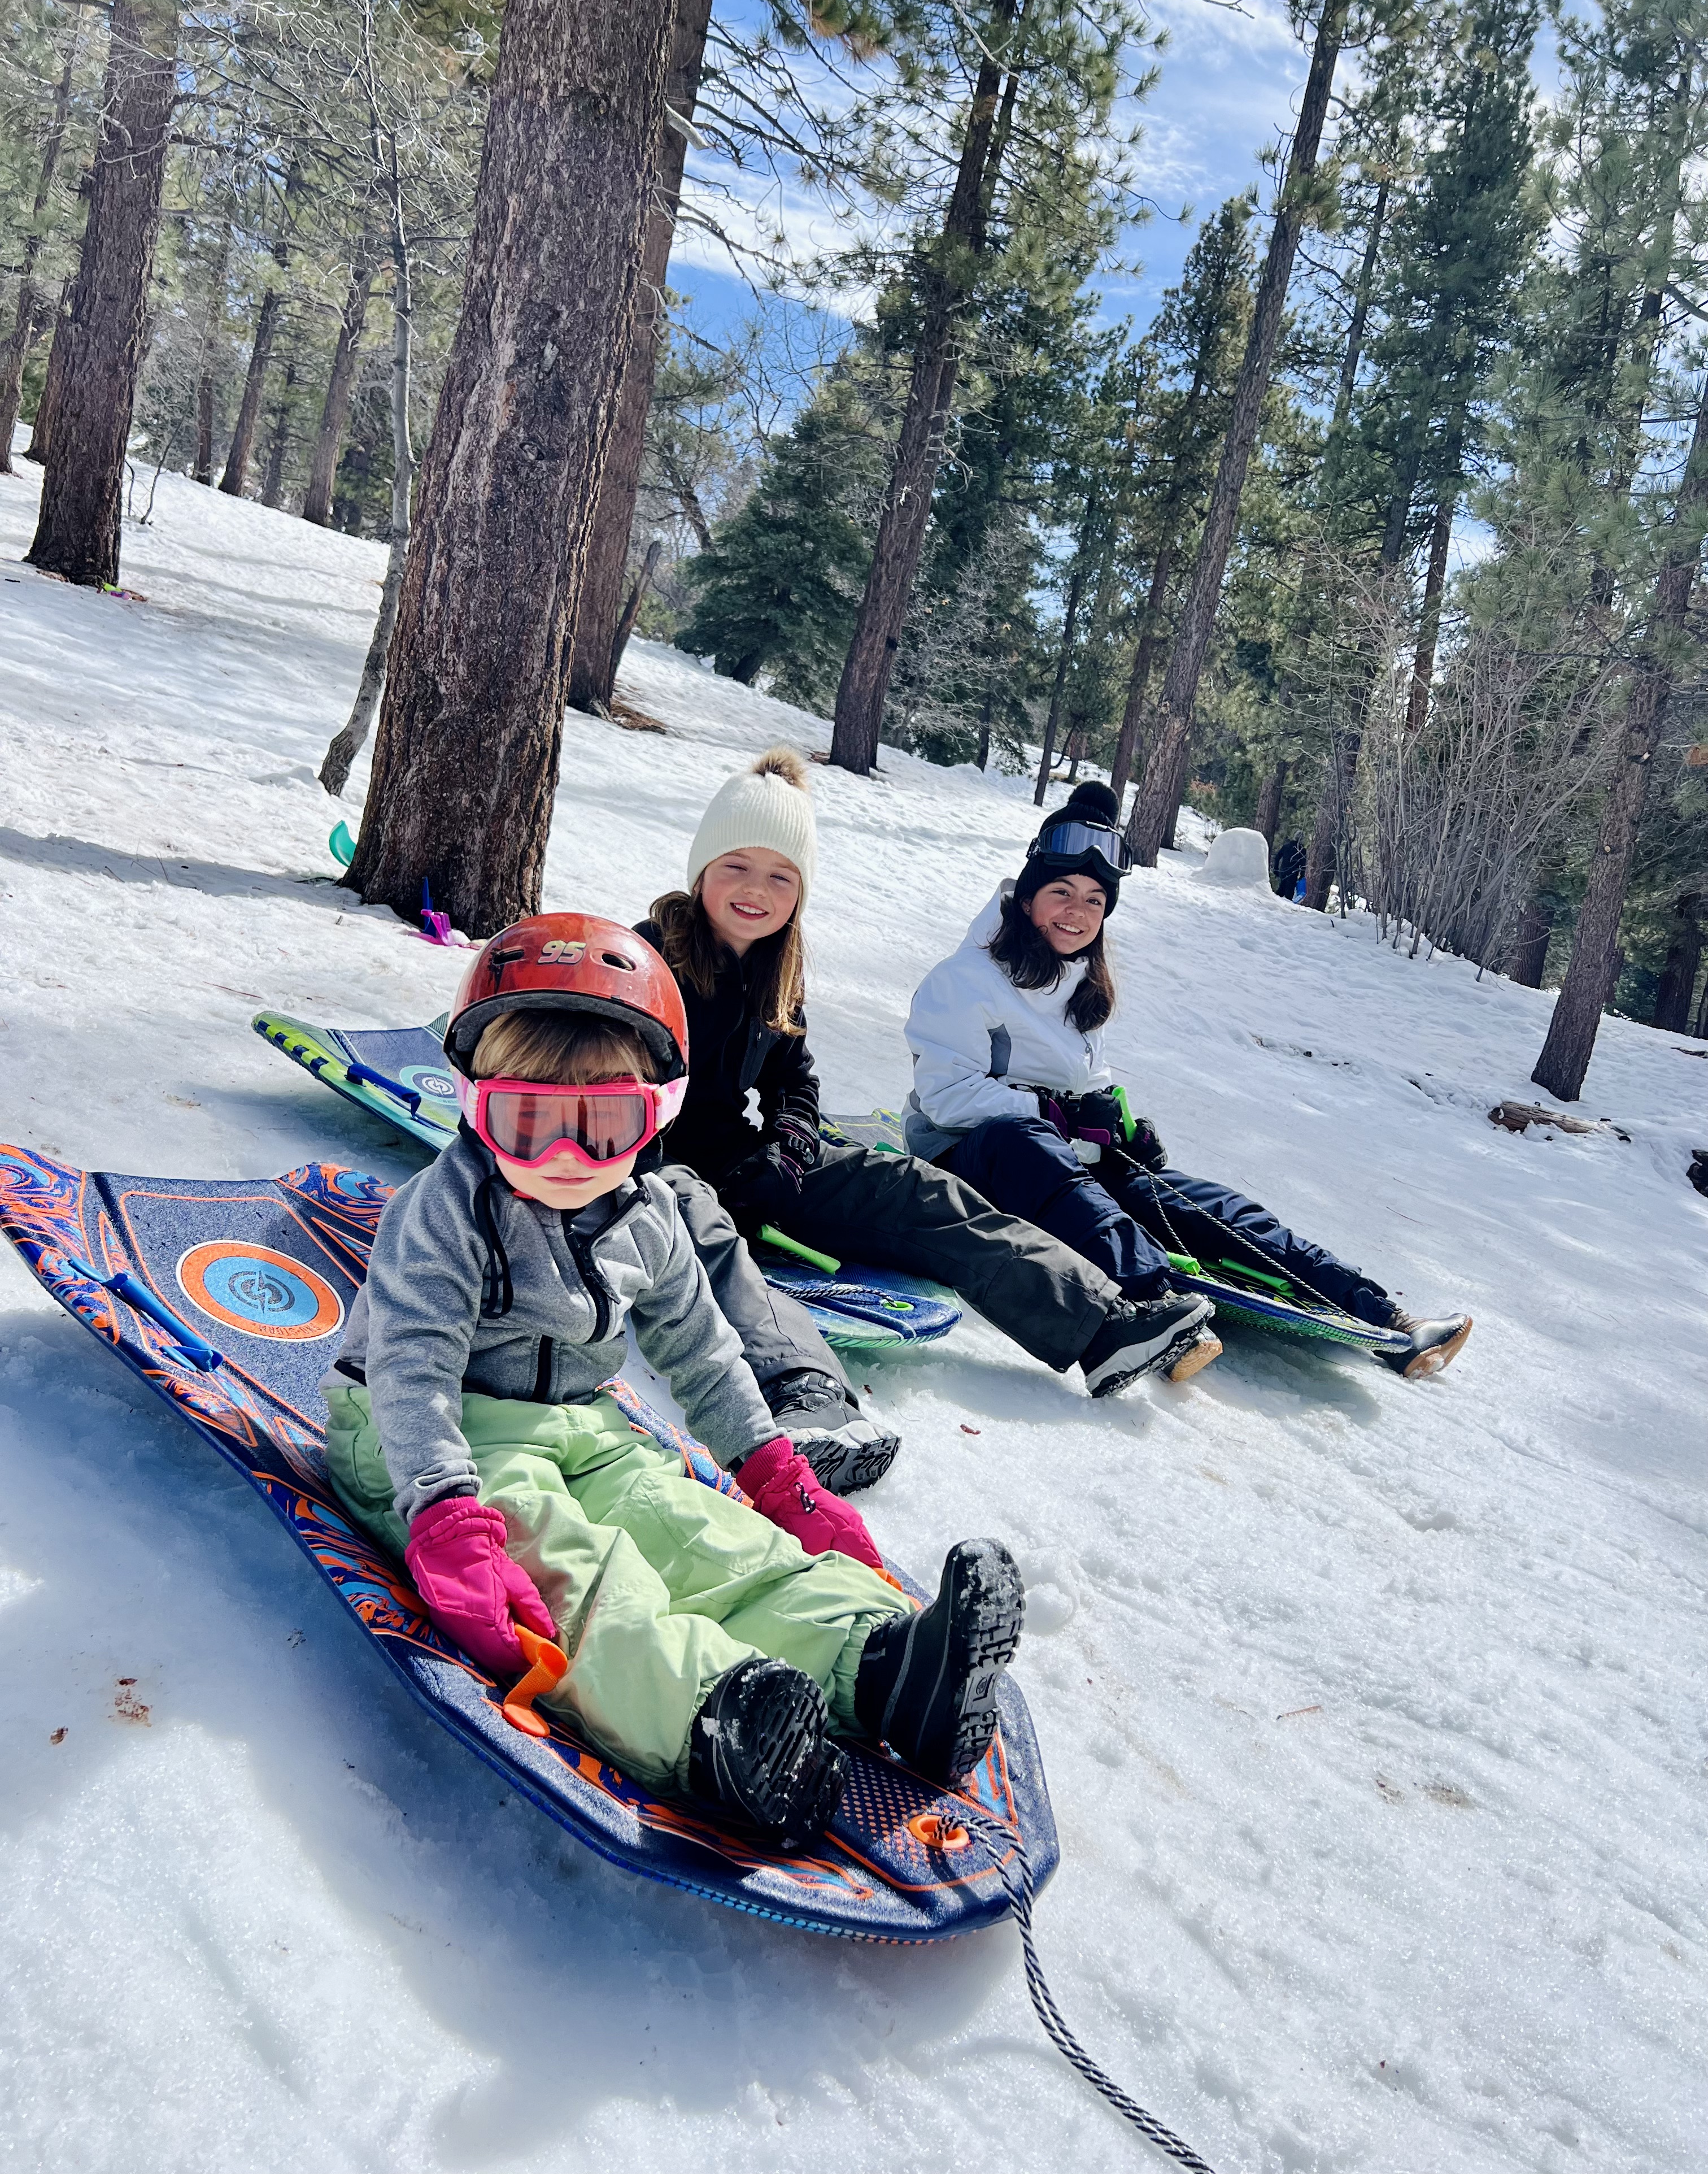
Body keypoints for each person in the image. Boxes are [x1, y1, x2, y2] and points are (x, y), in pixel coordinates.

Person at [320, 912, 1025, 1846]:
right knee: (578, 1571)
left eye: (602, 1124)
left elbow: (700, 1350)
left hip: (581, 1424)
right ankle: (715, 1717)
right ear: (472, 1102)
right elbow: (411, 1369)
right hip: (429, 1439)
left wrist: (777, 1478)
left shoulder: (650, 1214)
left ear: (653, 1114)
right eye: (524, 1122)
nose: (565, 1159)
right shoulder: (444, 1210)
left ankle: (884, 1668)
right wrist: (446, 1517)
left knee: (704, 1535)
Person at [635, 748, 1221, 1397]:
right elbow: (605, 1090)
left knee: (923, 1192)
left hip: (751, 1167)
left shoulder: (777, 970)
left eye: (781, 876)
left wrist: (794, 1136)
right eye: (736, 866)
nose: (756, 891)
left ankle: (1103, 1327)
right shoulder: (645, 963)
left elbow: (793, 1078)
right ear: (701, 872)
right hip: (658, 1180)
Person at [903, 782, 1473, 1380]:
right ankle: (1153, 1304)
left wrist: (1117, 1131)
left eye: (1095, 901)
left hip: (1065, 1163)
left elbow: (1087, 1084)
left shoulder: (1079, 986)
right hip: (967, 1154)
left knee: (1204, 1206)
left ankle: (1386, 1318)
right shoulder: (964, 979)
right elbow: (947, 1093)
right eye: (1062, 893)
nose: (1077, 913)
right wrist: (1058, 1117)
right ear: (1026, 900)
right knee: (1029, 1148)